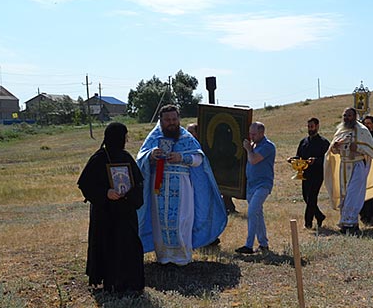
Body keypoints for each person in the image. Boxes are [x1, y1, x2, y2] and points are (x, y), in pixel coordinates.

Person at [136, 104, 227, 265]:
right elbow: (140, 159)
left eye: (174, 119)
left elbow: (199, 159)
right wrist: (151, 156)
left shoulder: (186, 138)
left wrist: (182, 158)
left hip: (183, 187)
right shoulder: (153, 137)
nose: (171, 123)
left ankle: (183, 257)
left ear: (179, 119)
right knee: (160, 222)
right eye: (167, 120)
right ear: (161, 121)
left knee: (182, 220)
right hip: (159, 187)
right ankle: (163, 258)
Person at [77, 122, 145, 294]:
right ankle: (110, 282)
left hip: (125, 212)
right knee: (107, 245)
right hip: (105, 214)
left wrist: (128, 193)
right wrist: (106, 193)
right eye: (125, 136)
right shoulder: (99, 158)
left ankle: (130, 282)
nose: (126, 139)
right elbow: (85, 184)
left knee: (128, 245)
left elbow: (138, 182)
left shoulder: (126, 157)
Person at [325, 107, 373, 234]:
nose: (346, 118)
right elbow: (334, 150)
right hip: (344, 166)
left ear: (354, 117)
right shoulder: (340, 130)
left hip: (357, 166)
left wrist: (357, 147)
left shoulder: (362, 130)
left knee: (353, 195)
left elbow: (370, 149)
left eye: (349, 115)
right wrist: (335, 147)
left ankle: (351, 223)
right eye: (344, 115)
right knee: (344, 195)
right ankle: (345, 222)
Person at [236, 122, 276, 254]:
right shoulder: (254, 145)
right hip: (251, 185)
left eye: (254, 134)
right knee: (258, 214)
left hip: (263, 185)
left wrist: (248, 149)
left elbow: (253, 160)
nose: (251, 136)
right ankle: (263, 244)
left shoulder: (268, 146)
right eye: (250, 133)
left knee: (252, 211)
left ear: (261, 133)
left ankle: (248, 245)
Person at [290, 117, 329, 229]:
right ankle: (320, 216)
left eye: (312, 126)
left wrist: (315, 160)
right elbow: (299, 156)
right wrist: (292, 159)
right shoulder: (304, 142)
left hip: (318, 174)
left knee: (312, 197)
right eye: (308, 127)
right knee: (305, 197)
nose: (310, 129)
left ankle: (308, 223)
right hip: (305, 173)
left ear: (317, 126)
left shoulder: (324, 142)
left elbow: (328, 159)